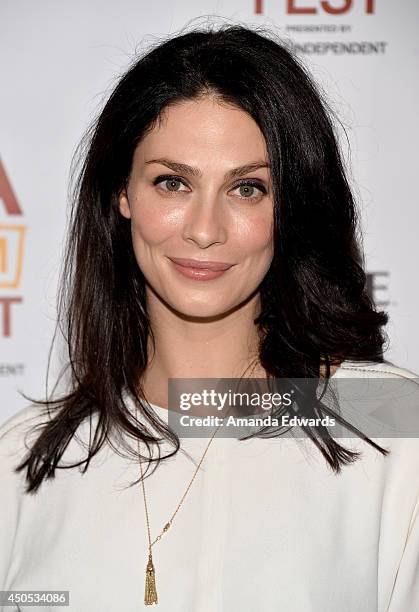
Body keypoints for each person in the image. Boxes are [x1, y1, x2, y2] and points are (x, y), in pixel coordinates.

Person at [0, 22, 418, 612]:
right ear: (123, 194)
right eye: (172, 182)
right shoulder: (25, 462)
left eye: (247, 189)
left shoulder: (395, 427)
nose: (204, 229)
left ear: (292, 205)